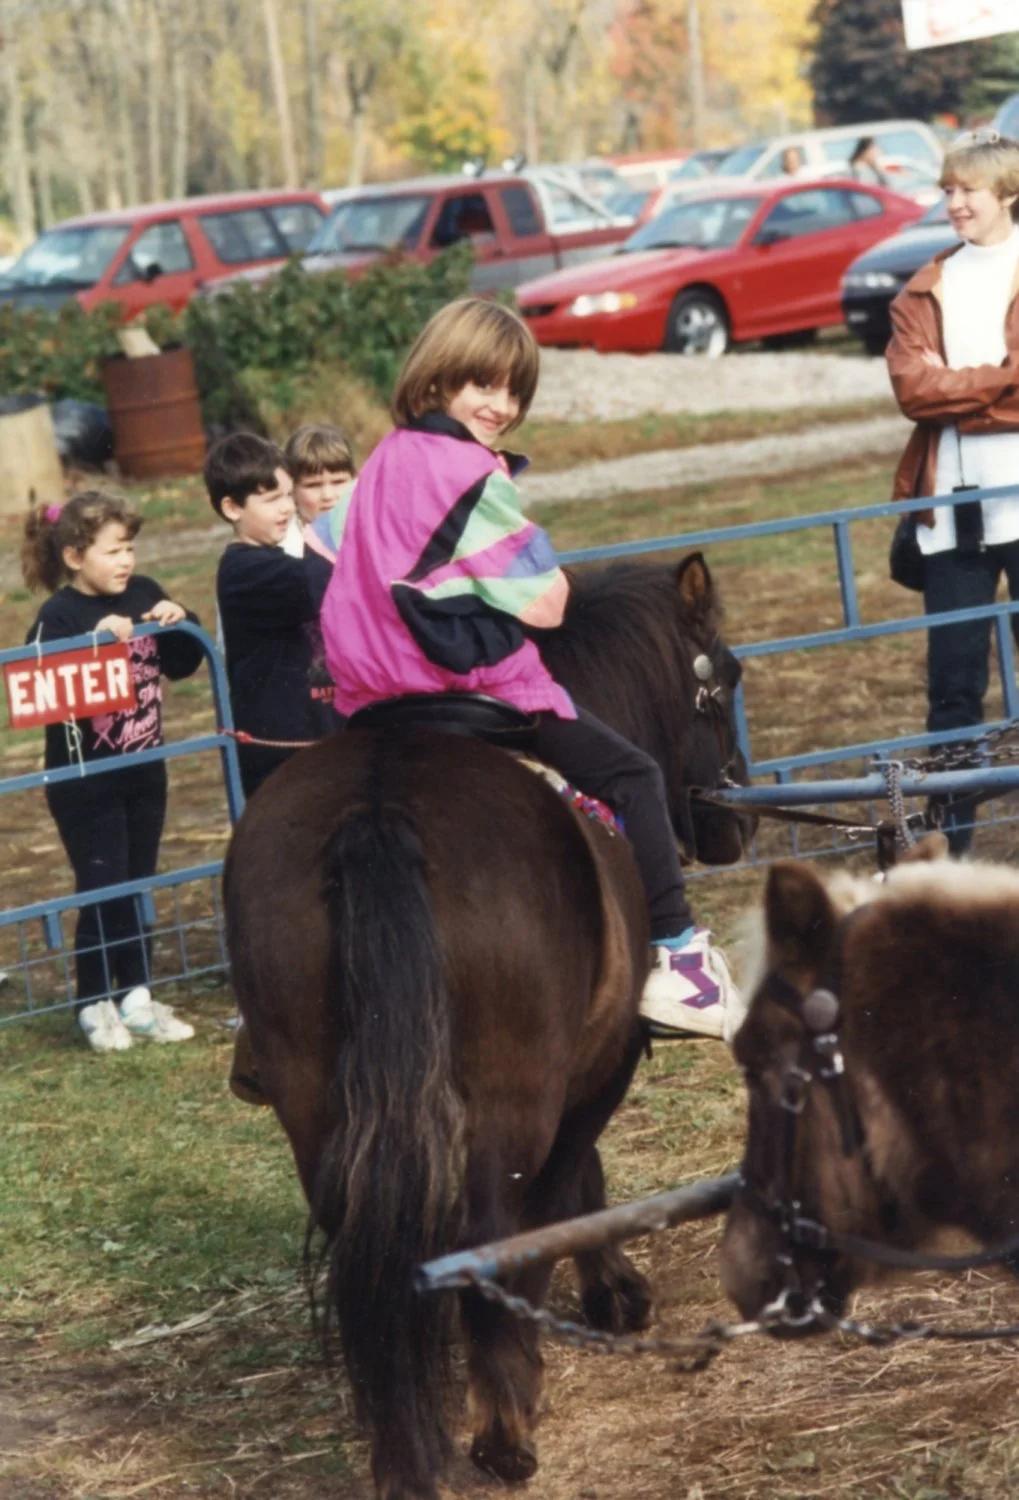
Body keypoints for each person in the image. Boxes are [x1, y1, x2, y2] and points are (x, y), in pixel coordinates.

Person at [318, 297, 740, 1039]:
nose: (501, 406)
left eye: (514, 391)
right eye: (482, 385)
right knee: (633, 775)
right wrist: (542, 581)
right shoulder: (471, 474)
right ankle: (676, 959)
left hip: (371, 695)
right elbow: (545, 606)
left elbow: (340, 553)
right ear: (436, 379)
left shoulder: (383, 459)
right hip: (464, 685)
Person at [22, 491, 202, 1053]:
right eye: (112, 550)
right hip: (85, 782)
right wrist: (92, 643)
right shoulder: (59, 615)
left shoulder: (145, 591)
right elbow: (38, 684)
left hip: (145, 769)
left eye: (130, 547)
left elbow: (182, 664)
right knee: (103, 885)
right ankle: (93, 1003)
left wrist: (180, 620)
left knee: (139, 881)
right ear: (75, 556)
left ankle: (137, 996)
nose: (125, 560)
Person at [886, 133, 1019, 853]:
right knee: (953, 691)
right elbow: (912, 390)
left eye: (967, 190)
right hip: (953, 516)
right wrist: (1001, 378)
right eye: (946, 190)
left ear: (1006, 193)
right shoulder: (923, 286)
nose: (954, 203)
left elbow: (937, 390)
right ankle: (954, 848)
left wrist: (956, 387)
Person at [207, 432, 340, 801]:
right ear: (233, 508)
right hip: (280, 758)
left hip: (321, 742)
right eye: (270, 500)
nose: (286, 508)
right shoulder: (243, 570)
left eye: (287, 495)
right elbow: (317, 581)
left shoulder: (278, 559)